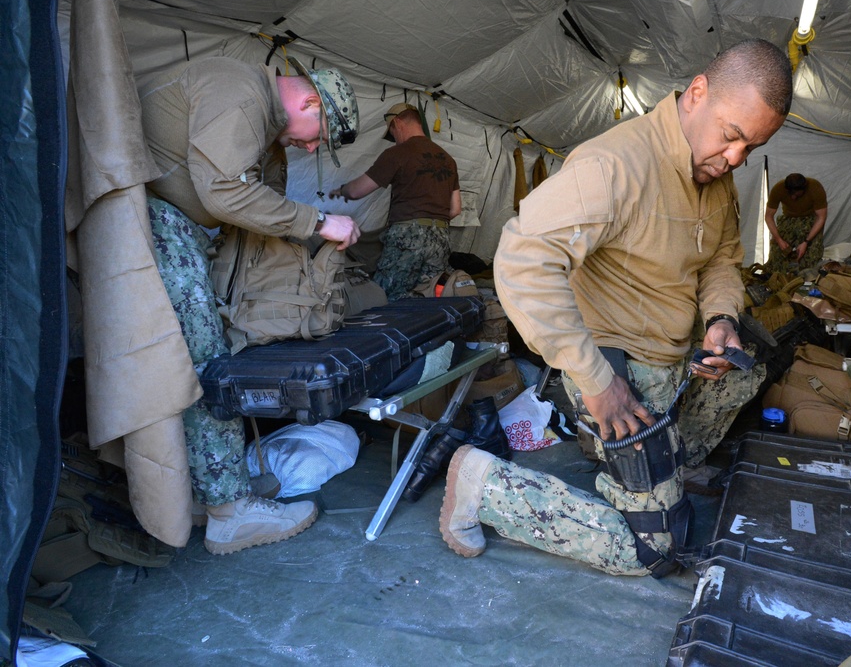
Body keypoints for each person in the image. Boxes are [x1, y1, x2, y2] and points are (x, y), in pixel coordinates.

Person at [438, 39, 792, 577]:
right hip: (615, 366)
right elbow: (521, 260)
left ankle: (658, 464)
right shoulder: (615, 166)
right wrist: (598, 382)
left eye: (752, 146)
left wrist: (720, 320)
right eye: (732, 136)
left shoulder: (716, 175)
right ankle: (484, 487)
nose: (737, 159)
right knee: (655, 549)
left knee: (753, 364)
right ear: (697, 94)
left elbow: (722, 258)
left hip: (672, 355)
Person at [139, 55, 361, 555]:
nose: (306, 147)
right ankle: (229, 512)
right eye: (314, 136)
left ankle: (201, 492)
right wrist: (319, 222)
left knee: (194, 359)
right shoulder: (240, 89)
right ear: (307, 101)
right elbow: (224, 193)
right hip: (155, 218)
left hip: (174, 223)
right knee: (207, 361)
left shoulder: (254, 110)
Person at [334, 103, 462, 301]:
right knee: (428, 294)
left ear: (398, 122)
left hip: (407, 235)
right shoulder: (448, 159)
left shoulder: (398, 153)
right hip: (441, 238)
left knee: (384, 296)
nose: (394, 140)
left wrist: (342, 190)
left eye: (392, 133)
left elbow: (358, 191)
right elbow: (455, 209)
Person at [764, 172, 828, 273]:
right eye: (791, 194)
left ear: (804, 189)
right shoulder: (778, 189)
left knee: (812, 255)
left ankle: (806, 281)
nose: (793, 198)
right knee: (777, 252)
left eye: (797, 195)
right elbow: (768, 216)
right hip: (789, 219)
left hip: (810, 220)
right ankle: (778, 278)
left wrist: (806, 242)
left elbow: (821, 217)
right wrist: (779, 240)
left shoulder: (815, 188)